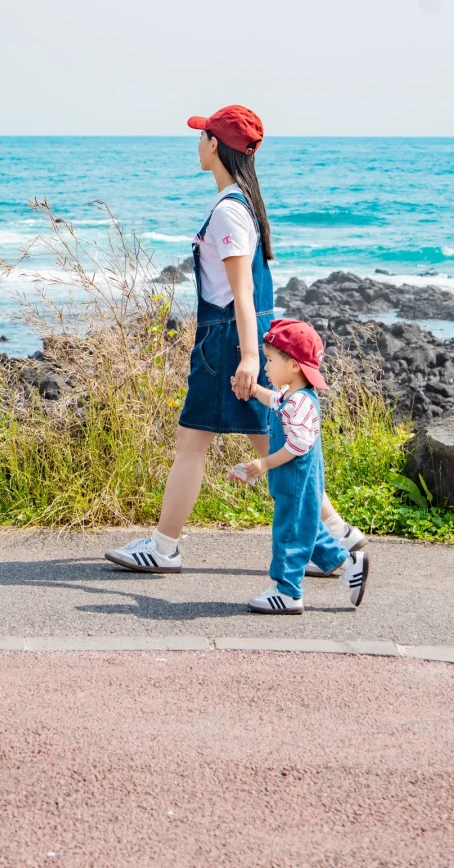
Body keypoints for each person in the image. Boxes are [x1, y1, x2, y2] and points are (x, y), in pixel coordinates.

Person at [105, 104, 363, 576]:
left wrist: (247, 358)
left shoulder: (228, 212)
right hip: (237, 342)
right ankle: (336, 540)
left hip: (227, 346)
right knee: (269, 444)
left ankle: (165, 548)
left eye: (203, 134)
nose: (198, 141)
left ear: (216, 146)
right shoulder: (244, 203)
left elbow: (241, 291)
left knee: (194, 440)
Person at [232, 318, 369, 612]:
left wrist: (263, 463)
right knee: (306, 530)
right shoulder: (293, 395)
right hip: (294, 484)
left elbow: (296, 446)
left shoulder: (298, 403)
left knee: (289, 535)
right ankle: (348, 563)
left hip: (296, 483)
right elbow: (274, 400)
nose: (265, 366)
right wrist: (253, 389)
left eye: (269, 360)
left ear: (293, 365)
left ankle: (288, 592)